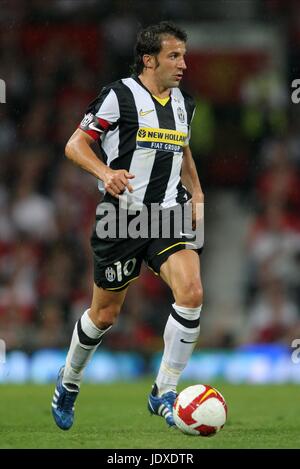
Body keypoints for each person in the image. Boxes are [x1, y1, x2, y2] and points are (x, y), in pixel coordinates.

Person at [51, 21, 204, 431]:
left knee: (191, 293)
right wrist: (106, 171)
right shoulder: (119, 96)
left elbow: (182, 151)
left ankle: (164, 391)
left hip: (167, 215)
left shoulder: (184, 104)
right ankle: (69, 381)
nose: (183, 64)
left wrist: (199, 195)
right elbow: (74, 144)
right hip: (120, 218)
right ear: (149, 59)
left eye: (184, 56)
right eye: (174, 56)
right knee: (104, 315)